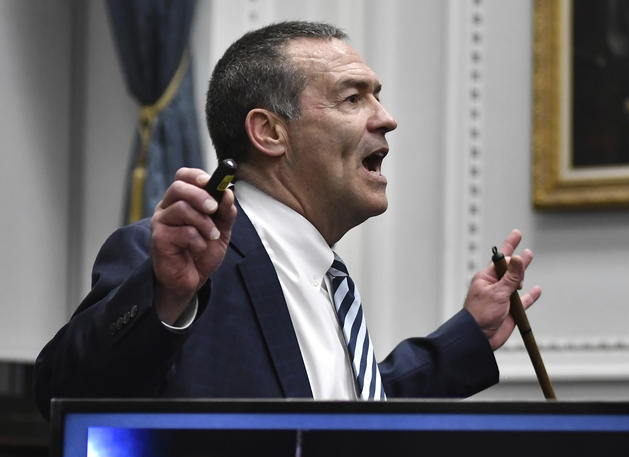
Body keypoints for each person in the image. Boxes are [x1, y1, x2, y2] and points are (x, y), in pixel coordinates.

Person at [33, 21, 540, 413]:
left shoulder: (323, 277)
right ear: (270, 132)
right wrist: (165, 294)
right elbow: (64, 394)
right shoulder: (178, 260)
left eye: (377, 96)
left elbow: (341, 420)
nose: (386, 117)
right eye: (353, 97)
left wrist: (467, 335)